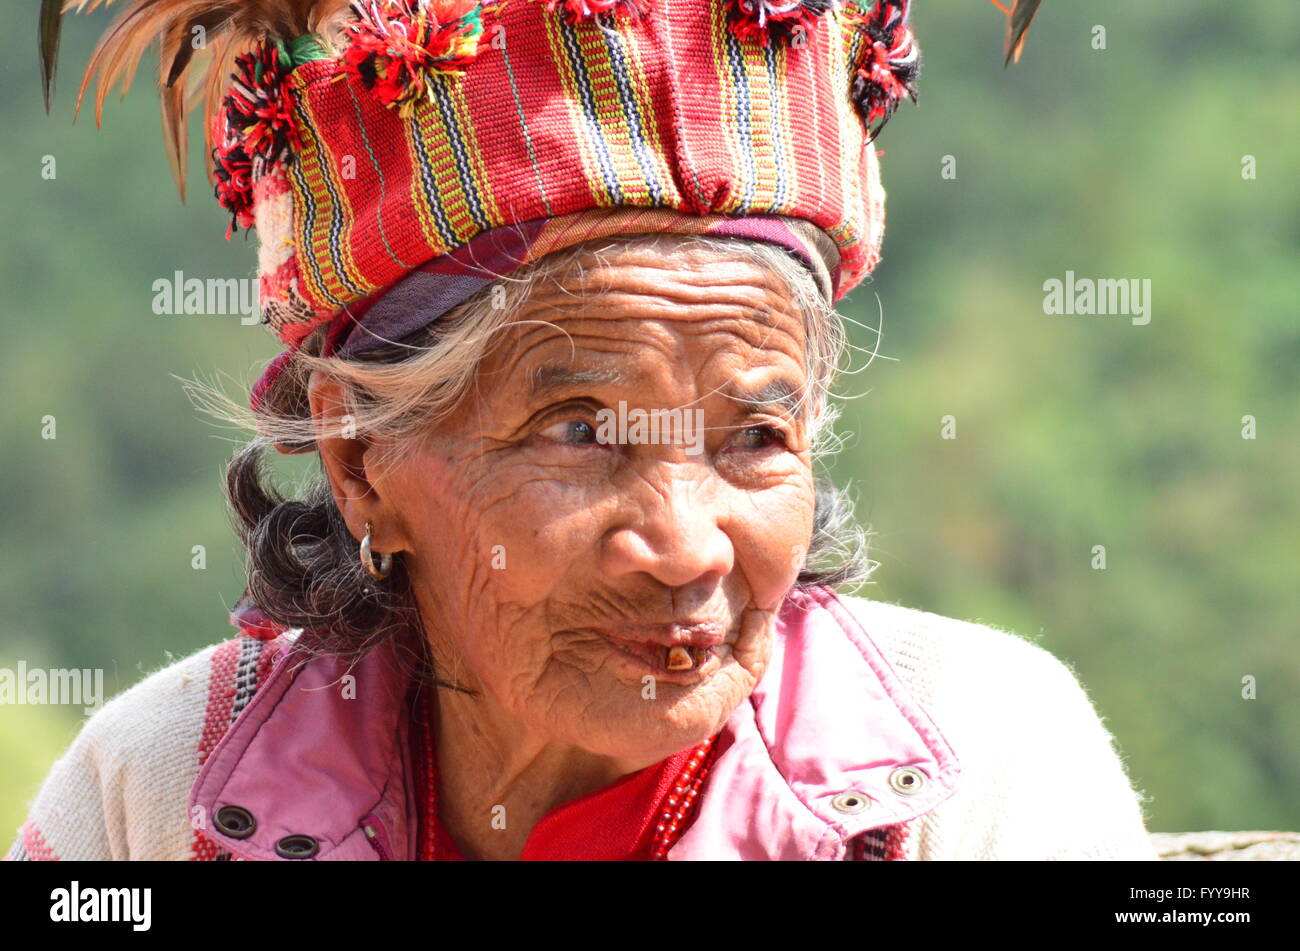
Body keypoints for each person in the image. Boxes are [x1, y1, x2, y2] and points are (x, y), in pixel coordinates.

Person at [9, 0, 1156, 861]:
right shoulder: (163, 791)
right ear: (362, 463)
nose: (688, 547)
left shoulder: (976, 762)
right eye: (579, 431)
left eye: (755, 437)